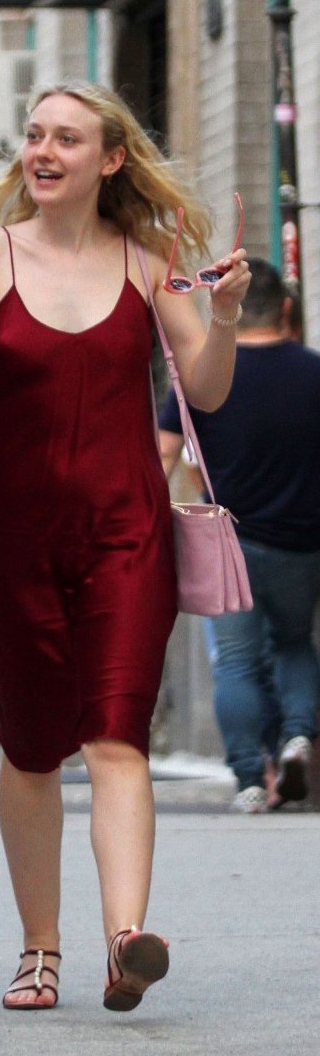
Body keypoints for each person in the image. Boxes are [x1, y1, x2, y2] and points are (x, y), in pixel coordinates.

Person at [0, 82, 250, 1013]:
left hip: (126, 536)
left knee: (115, 735)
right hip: (10, 539)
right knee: (30, 748)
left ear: (109, 160)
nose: (43, 151)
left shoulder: (147, 262)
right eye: (34, 135)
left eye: (67, 138)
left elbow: (207, 391)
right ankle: (39, 947)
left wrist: (223, 316)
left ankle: (124, 940)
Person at [159, 259, 320, 814]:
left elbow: (162, 452)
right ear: (285, 309)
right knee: (295, 642)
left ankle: (250, 779)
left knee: (234, 660)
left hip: (226, 540)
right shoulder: (313, 372)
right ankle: (297, 736)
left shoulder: (204, 374)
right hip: (303, 539)